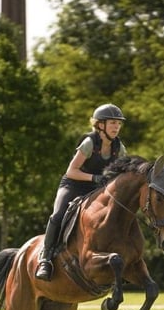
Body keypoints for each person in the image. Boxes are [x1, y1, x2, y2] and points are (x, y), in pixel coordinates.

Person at [35, 103, 128, 281]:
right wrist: (94, 178)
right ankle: (45, 258)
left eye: (118, 124)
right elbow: (71, 171)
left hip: (97, 189)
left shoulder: (119, 148)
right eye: (112, 123)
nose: (116, 127)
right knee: (58, 215)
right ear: (100, 125)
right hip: (74, 185)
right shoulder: (89, 143)